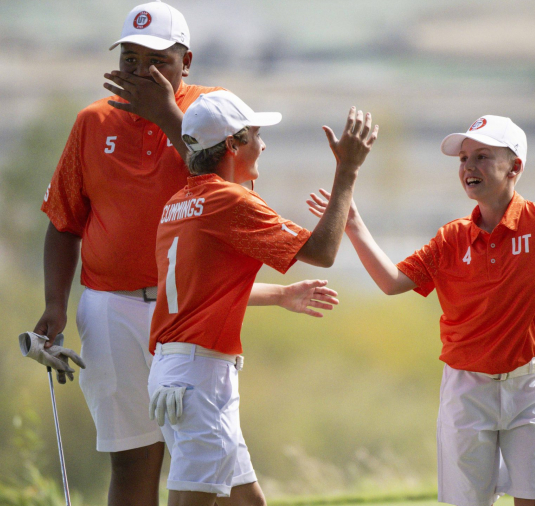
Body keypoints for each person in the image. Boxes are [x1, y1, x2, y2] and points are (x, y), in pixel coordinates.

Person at [26, 3, 339, 506]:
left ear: (185, 61)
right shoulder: (91, 122)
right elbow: (64, 223)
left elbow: (216, 176)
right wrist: (56, 304)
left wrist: (166, 116)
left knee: (214, 461)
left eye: (156, 61)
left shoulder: (212, 109)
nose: (139, 71)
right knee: (133, 458)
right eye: (129, 57)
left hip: (188, 314)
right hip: (110, 306)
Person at [307, 116, 535, 506]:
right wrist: (352, 225)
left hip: (529, 388)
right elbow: (391, 282)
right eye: (464, 158)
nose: (469, 167)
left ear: (515, 166)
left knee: (534, 503)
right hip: (467, 392)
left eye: (482, 156)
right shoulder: (451, 239)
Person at [146, 90, 378, 505]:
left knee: (248, 502)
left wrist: (282, 294)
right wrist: (347, 172)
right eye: (254, 134)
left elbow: (204, 293)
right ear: (232, 145)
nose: (263, 143)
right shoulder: (229, 201)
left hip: (177, 369)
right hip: (200, 379)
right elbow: (323, 252)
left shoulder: (178, 204)